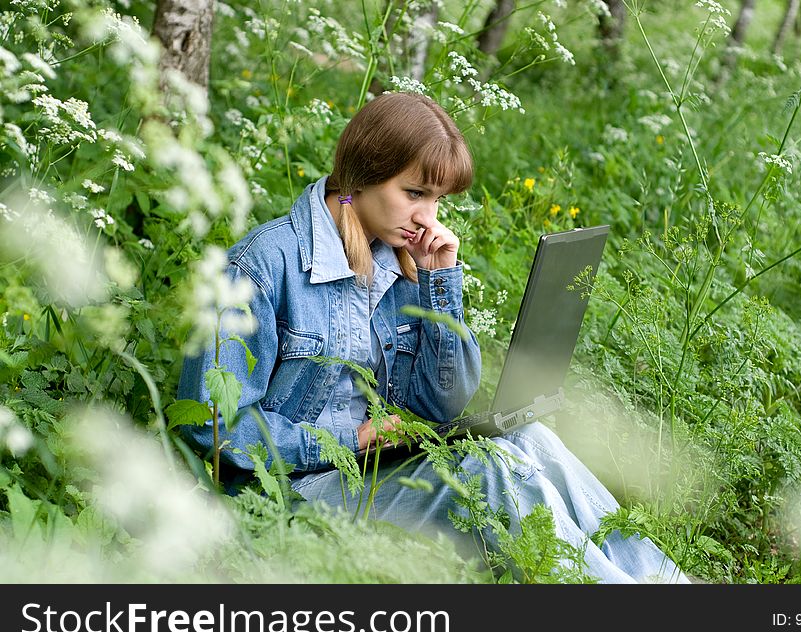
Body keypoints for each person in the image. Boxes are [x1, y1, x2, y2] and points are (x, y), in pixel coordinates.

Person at [177, 91, 690, 584]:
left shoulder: (399, 262)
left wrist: (439, 279)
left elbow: (440, 406)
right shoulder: (264, 266)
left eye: (438, 199)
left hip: (378, 467)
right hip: (299, 488)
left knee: (531, 440)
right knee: (491, 473)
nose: (428, 218)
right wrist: (346, 441)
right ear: (361, 177)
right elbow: (214, 427)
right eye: (414, 194)